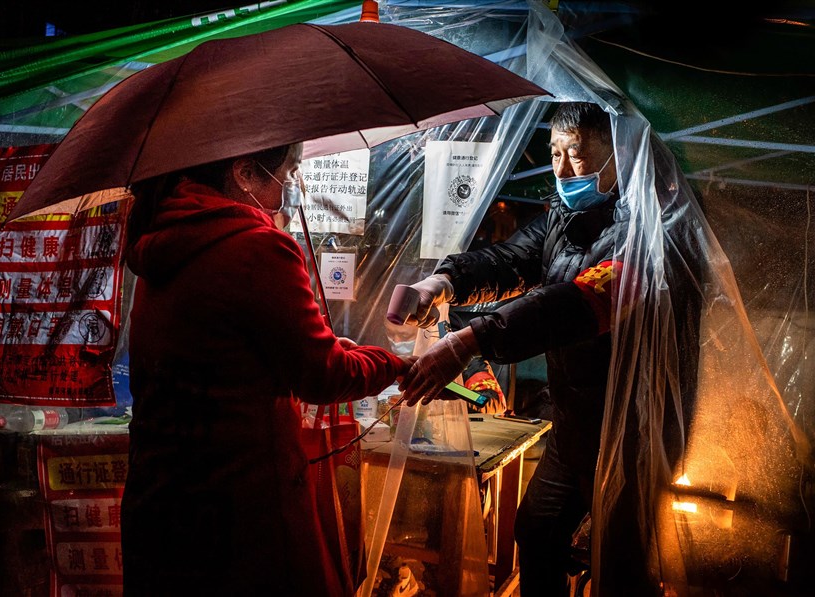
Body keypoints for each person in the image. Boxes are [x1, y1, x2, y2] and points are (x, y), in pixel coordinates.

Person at [391, 102, 701, 595]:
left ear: (620, 154)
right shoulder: (564, 216)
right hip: (574, 424)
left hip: (632, 434)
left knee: (620, 566)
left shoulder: (655, 230)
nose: (561, 170)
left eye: (576, 154)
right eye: (554, 153)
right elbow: (511, 258)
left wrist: (472, 340)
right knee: (537, 532)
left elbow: (577, 304)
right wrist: (443, 282)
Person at [120, 142, 415, 596]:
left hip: (161, 505)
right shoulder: (258, 246)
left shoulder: (162, 242)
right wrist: (393, 364)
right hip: (242, 514)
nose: (290, 187)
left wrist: (317, 346)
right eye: (289, 171)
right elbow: (323, 375)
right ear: (243, 173)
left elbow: (222, 352)